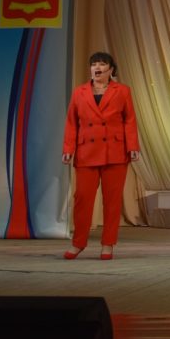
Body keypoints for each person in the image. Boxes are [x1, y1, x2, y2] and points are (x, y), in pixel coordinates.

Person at [62, 52, 140, 260]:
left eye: (102, 64)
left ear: (111, 70)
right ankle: (78, 243)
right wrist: (68, 149)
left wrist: (133, 146)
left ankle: (108, 244)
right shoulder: (79, 92)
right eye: (94, 64)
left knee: (112, 201)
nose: (97, 67)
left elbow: (129, 120)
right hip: (86, 152)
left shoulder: (122, 91)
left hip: (115, 151)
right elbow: (71, 123)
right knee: (82, 199)